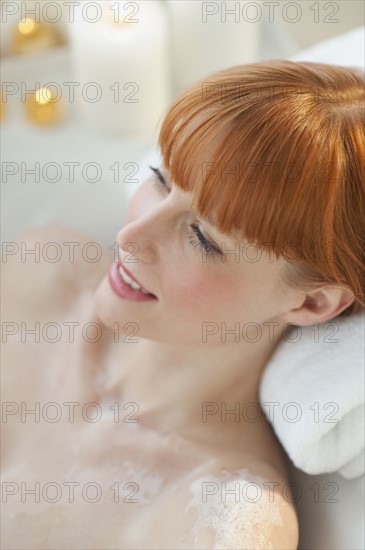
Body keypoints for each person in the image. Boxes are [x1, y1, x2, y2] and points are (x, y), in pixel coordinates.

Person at [2, 59, 364, 549]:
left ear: (315, 303)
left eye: (202, 237)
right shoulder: (43, 272)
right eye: (160, 179)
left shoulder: (220, 522)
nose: (131, 237)